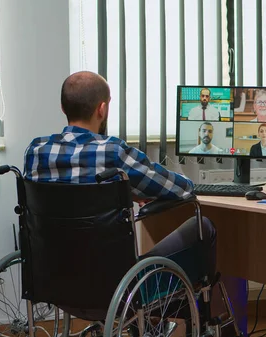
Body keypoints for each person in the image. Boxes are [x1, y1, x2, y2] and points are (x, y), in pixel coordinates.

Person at [24, 71, 217, 284]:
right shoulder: (112, 152)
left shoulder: (36, 152)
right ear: (102, 109)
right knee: (203, 226)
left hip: (54, 279)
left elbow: (71, 191)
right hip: (111, 281)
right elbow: (180, 189)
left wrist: (122, 191)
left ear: (63, 107)